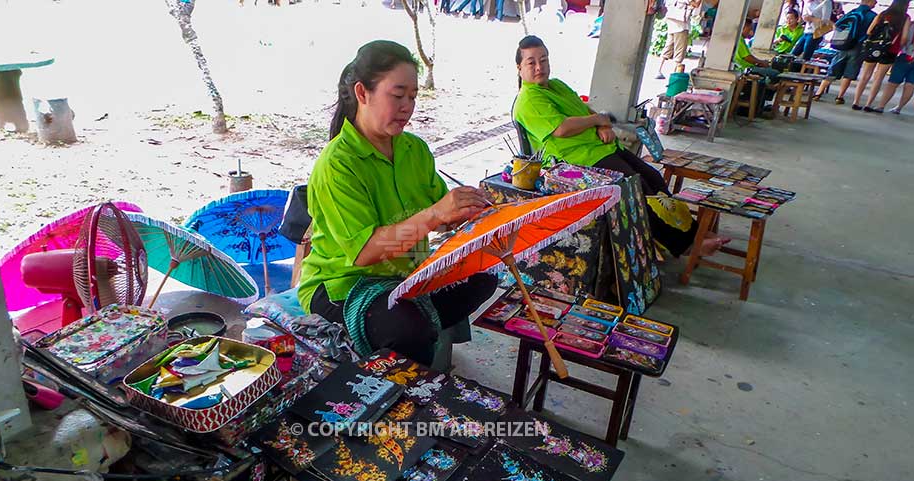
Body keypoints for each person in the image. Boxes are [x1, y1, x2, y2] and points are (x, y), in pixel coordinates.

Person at [298, 40, 498, 365]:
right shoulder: (338, 163)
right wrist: (436, 214)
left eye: (414, 96)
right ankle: (406, 381)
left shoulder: (414, 150)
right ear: (363, 93)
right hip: (343, 284)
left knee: (485, 274)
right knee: (408, 332)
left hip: (404, 275)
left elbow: (442, 215)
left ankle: (419, 323)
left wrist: (469, 211)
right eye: (398, 95)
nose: (407, 106)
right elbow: (364, 252)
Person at [511, 35, 729, 258]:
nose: (540, 67)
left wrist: (602, 124)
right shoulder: (528, 99)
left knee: (653, 177)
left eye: (544, 60)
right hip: (573, 161)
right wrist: (599, 121)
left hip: (599, 147)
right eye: (532, 62)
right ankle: (683, 245)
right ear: (520, 68)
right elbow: (561, 129)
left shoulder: (556, 85)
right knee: (636, 188)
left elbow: (584, 109)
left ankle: (691, 232)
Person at [813, 0, 877, 103]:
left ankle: (818, 93)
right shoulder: (873, 16)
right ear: (868, 1)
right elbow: (872, 32)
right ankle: (840, 96)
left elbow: (837, 25)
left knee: (833, 70)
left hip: (843, 44)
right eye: (874, 1)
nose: (876, 3)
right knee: (849, 73)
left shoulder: (852, 12)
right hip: (858, 46)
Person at [851, 0, 911, 112]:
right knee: (878, 78)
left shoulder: (883, 14)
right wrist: (897, 46)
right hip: (890, 51)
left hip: (874, 48)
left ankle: (856, 102)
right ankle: (868, 104)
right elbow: (903, 38)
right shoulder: (905, 18)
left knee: (865, 76)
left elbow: (869, 31)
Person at [872, 16, 914, 113]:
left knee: (893, 83)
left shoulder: (911, 25)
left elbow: (905, 39)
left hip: (906, 55)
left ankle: (881, 106)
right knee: (910, 85)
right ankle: (899, 108)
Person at [657, 0, 700, 79]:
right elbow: (696, 4)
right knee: (680, 49)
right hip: (680, 23)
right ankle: (674, 74)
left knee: (668, 46)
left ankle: (658, 70)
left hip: (671, 18)